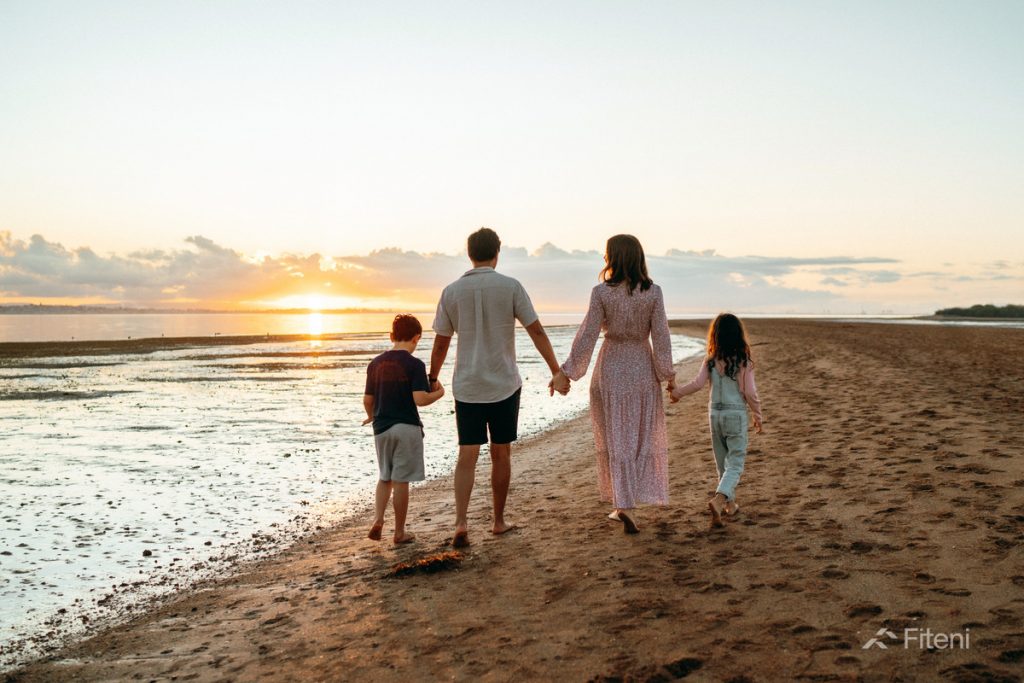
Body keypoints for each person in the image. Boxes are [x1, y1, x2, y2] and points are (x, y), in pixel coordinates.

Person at [430, 227, 566, 548]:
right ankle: (497, 521)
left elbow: (440, 344)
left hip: (467, 386)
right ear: (497, 253)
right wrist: (556, 370)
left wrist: (432, 376)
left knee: (467, 455)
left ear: (469, 254)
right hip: (504, 383)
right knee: (500, 453)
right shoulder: (511, 287)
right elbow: (537, 332)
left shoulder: (451, 292)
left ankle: (461, 522)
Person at [550, 234, 675, 534]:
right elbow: (661, 337)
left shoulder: (601, 293)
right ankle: (626, 503)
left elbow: (587, 336)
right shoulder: (653, 292)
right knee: (638, 438)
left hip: (612, 368)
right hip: (642, 368)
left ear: (612, 258)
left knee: (616, 437)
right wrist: (667, 374)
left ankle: (624, 505)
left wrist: (568, 372)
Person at [668, 313, 763, 528]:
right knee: (736, 463)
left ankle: (730, 506)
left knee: (722, 464)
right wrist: (758, 415)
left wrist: (677, 393)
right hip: (735, 415)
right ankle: (719, 500)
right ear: (738, 335)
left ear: (716, 336)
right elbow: (750, 392)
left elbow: (697, 384)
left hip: (715, 416)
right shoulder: (743, 361)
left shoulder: (710, 360)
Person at [363, 314, 445, 545]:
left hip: (381, 428)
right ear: (417, 338)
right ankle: (399, 532)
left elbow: (368, 399)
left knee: (384, 478)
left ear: (391, 336)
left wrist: (371, 416)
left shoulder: (375, 364)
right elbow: (419, 399)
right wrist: (440, 393)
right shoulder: (415, 364)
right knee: (401, 481)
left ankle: (378, 520)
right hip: (406, 427)